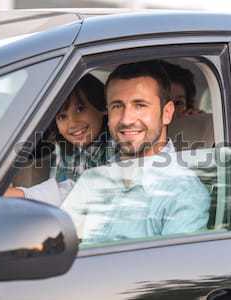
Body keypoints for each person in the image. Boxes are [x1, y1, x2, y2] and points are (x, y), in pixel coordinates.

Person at [61, 60, 211, 245]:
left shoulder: (184, 193)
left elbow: (172, 270)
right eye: (117, 106)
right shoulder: (91, 180)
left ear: (167, 112)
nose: (126, 119)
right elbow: (56, 250)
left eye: (140, 105)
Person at [4, 74, 111, 205]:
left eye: (80, 109)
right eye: (62, 116)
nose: (72, 123)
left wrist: (25, 195)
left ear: (102, 107)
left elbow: (86, 193)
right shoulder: (65, 151)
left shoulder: (114, 147)